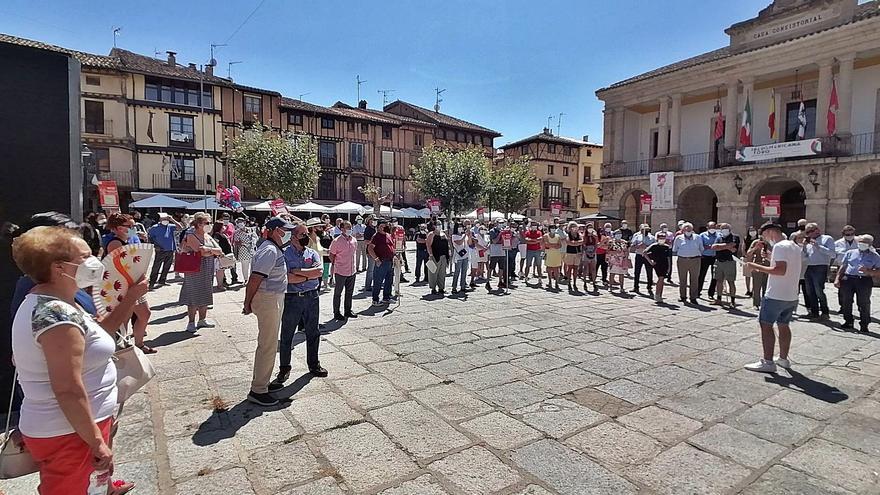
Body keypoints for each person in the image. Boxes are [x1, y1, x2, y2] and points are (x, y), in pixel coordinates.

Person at [11, 226, 138, 494]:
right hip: (68, 431)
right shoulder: (55, 315)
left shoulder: (57, 301)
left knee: (88, 483)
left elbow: (100, 332)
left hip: (77, 424)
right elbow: (67, 388)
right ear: (59, 268)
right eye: (85, 256)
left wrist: (131, 297)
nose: (95, 260)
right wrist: (95, 442)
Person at [243, 216, 296, 407]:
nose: (288, 233)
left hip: (272, 298)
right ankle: (258, 389)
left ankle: (262, 383)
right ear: (275, 231)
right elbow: (255, 279)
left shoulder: (273, 248)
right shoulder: (269, 250)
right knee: (267, 344)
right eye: (285, 229)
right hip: (268, 300)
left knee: (269, 343)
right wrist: (247, 303)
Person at [274, 221, 328, 391]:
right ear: (293, 237)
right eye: (302, 234)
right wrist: (307, 276)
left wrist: (299, 273)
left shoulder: (312, 253)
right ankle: (284, 369)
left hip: (312, 297)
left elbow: (319, 272)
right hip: (292, 299)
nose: (306, 237)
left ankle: (314, 364)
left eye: (307, 233)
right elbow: (286, 277)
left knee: (313, 332)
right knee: (287, 335)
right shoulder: (283, 254)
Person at [744, 222, 802, 373]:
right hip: (791, 294)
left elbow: (780, 270)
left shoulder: (780, 246)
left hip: (776, 294)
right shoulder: (794, 246)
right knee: (784, 324)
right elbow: (787, 267)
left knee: (766, 324)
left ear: (769, 232)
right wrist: (770, 258)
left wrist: (755, 266)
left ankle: (768, 362)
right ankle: (783, 359)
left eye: (764, 236)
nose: (764, 240)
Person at [103, 213, 154, 354]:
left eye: (133, 225)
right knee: (124, 318)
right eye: (130, 226)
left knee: (144, 314)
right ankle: (123, 348)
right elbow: (120, 267)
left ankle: (138, 344)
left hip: (135, 284)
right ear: (118, 228)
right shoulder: (115, 243)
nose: (133, 228)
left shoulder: (130, 239)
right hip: (123, 286)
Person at [178, 213, 223, 333]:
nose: (210, 225)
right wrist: (210, 251)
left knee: (205, 292)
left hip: (207, 268)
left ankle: (202, 320)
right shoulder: (191, 235)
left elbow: (219, 250)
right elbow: (201, 252)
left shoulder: (207, 236)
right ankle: (191, 322)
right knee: (193, 294)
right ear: (199, 224)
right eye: (207, 223)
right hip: (194, 269)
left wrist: (208, 250)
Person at [835, 234, 880, 333]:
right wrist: (837, 278)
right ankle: (848, 321)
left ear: (870, 244)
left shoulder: (875, 256)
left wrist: (869, 271)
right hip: (848, 279)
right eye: (860, 242)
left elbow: (878, 271)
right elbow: (843, 266)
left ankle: (864, 324)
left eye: (864, 242)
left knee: (863, 303)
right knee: (846, 301)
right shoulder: (850, 252)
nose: (862, 244)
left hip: (864, 280)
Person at [802, 222, 836, 320]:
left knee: (819, 290)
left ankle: (825, 312)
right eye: (807, 232)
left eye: (811, 231)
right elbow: (805, 256)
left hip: (821, 266)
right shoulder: (808, 242)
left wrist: (818, 246)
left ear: (817, 230)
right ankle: (814, 312)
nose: (809, 234)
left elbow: (833, 254)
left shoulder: (827, 239)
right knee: (810, 291)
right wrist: (804, 247)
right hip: (810, 266)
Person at [329, 220, 358, 320]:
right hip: (341, 271)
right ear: (342, 229)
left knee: (349, 292)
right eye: (347, 227)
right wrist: (337, 264)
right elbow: (331, 255)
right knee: (338, 293)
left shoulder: (354, 240)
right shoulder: (336, 241)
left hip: (352, 271)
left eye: (350, 227)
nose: (350, 229)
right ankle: (336, 312)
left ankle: (348, 310)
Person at [147, 213, 180, 289]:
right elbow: (150, 238)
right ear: (160, 220)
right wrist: (155, 246)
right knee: (156, 266)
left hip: (170, 249)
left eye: (166, 219)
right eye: (164, 219)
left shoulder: (171, 226)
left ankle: (162, 280)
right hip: (160, 250)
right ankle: (152, 282)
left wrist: (172, 220)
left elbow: (181, 227)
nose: (165, 221)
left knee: (167, 266)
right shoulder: (154, 228)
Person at [711, 222, 740, 307]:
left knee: (731, 281)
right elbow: (713, 247)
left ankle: (732, 301)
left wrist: (719, 247)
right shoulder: (719, 237)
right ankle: (719, 299)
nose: (724, 230)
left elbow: (733, 247)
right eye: (722, 228)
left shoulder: (735, 237)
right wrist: (727, 246)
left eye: (726, 228)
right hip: (719, 261)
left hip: (729, 261)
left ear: (730, 229)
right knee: (719, 281)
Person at [368, 219, 396, 305]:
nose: (386, 227)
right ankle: (375, 299)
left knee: (389, 281)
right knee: (378, 281)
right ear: (379, 227)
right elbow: (370, 248)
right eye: (384, 226)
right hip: (382, 261)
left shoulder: (388, 235)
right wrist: (376, 259)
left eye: (387, 225)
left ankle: (386, 297)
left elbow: (392, 247)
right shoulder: (376, 236)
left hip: (390, 261)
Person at [673, 222, 702, 304]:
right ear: (683, 230)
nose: (688, 231)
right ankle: (683, 296)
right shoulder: (678, 238)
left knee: (694, 279)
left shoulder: (698, 237)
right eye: (686, 229)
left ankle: (693, 297)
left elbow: (701, 248)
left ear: (692, 230)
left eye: (689, 229)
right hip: (682, 260)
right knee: (682, 279)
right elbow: (675, 249)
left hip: (695, 260)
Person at [644, 231, 671, 303]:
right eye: (660, 238)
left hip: (664, 264)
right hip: (657, 264)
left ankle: (660, 295)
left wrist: (669, 267)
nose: (662, 239)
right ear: (657, 238)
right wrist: (650, 261)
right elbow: (644, 253)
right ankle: (657, 294)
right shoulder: (654, 245)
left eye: (663, 238)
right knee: (661, 278)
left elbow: (668, 258)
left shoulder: (666, 247)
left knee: (662, 280)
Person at [745, 236, 771, 309]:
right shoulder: (756, 242)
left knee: (766, 286)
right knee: (756, 286)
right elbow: (748, 253)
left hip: (768, 266)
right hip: (757, 267)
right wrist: (755, 248)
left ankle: (765, 303)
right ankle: (756, 303)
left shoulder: (771, 243)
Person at [426, 221, 450, 295]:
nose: (439, 226)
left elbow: (447, 243)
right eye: (438, 224)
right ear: (434, 226)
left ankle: (441, 288)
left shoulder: (443, 233)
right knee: (433, 273)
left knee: (442, 273)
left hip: (444, 256)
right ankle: (433, 288)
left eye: (440, 224)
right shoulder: (431, 234)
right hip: (435, 256)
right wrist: (430, 255)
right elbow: (428, 245)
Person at [630, 223, 655, 294]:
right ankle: (636, 286)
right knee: (637, 272)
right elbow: (632, 246)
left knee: (649, 272)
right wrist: (638, 245)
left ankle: (649, 286)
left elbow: (654, 248)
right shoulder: (637, 236)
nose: (644, 231)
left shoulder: (652, 237)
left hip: (648, 256)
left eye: (646, 230)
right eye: (643, 230)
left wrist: (647, 246)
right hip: (639, 255)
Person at [698, 221, 720, 299]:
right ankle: (698, 291)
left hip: (715, 257)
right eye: (711, 227)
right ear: (707, 227)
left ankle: (711, 293)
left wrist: (709, 246)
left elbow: (719, 245)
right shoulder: (702, 235)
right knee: (701, 274)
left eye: (714, 227)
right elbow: (701, 245)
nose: (712, 229)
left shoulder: (719, 235)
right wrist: (711, 246)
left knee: (714, 276)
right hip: (705, 257)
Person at [232, 216, 258, 283]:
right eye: (238, 222)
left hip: (252, 249)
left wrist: (253, 241)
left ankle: (252, 279)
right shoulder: (237, 232)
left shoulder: (251, 229)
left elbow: (256, 237)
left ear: (244, 222)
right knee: (244, 266)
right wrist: (240, 243)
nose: (240, 223)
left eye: (241, 222)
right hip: (243, 249)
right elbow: (236, 242)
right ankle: (246, 279)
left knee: (253, 265)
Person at [486, 219, 508, 291]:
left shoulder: (504, 230)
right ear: (496, 223)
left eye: (502, 223)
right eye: (500, 223)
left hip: (502, 251)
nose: (501, 224)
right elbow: (494, 241)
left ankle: (500, 281)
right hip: (495, 252)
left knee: (501, 267)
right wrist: (500, 234)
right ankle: (488, 282)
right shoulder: (492, 231)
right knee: (491, 267)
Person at [211, 221, 234, 290]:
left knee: (222, 270)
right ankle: (220, 285)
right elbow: (216, 243)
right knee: (220, 271)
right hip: (219, 256)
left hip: (223, 255)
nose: (224, 227)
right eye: (223, 225)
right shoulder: (217, 234)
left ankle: (221, 284)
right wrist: (219, 252)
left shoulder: (221, 234)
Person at [562, 222, 583, 292]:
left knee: (576, 268)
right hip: (570, 253)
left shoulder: (579, 234)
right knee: (570, 268)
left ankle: (574, 282)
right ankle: (569, 282)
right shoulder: (568, 235)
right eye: (572, 226)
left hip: (577, 253)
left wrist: (574, 243)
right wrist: (576, 243)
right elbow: (569, 242)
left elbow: (582, 241)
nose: (574, 228)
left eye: (575, 226)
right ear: (570, 228)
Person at [544, 223, 563, 291]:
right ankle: (549, 281)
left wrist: (551, 245)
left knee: (556, 269)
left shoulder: (558, 236)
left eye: (554, 228)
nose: (553, 229)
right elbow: (546, 244)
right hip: (548, 254)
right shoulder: (546, 235)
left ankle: (556, 282)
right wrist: (555, 245)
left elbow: (560, 245)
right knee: (549, 268)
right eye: (552, 228)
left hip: (556, 254)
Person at [580, 223, 599, 292]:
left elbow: (596, 243)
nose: (590, 228)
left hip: (593, 250)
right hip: (586, 251)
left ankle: (594, 281)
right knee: (585, 268)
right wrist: (586, 251)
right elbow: (583, 244)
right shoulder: (584, 235)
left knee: (593, 268)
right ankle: (585, 282)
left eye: (591, 227)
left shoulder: (595, 235)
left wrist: (594, 251)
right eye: (589, 227)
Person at [363, 215, 376, 291]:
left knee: (374, 269)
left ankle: (373, 284)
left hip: (375, 251)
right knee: (370, 269)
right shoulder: (368, 229)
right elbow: (366, 241)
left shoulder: (374, 229)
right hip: (370, 251)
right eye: (372, 220)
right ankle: (367, 286)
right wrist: (374, 241)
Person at [743, 226, 758, 296]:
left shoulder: (758, 239)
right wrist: (745, 255)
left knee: (755, 275)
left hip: (756, 258)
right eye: (751, 230)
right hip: (748, 258)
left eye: (754, 230)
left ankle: (753, 290)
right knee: (747, 275)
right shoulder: (746, 239)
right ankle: (748, 290)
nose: (752, 232)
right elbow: (743, 248)